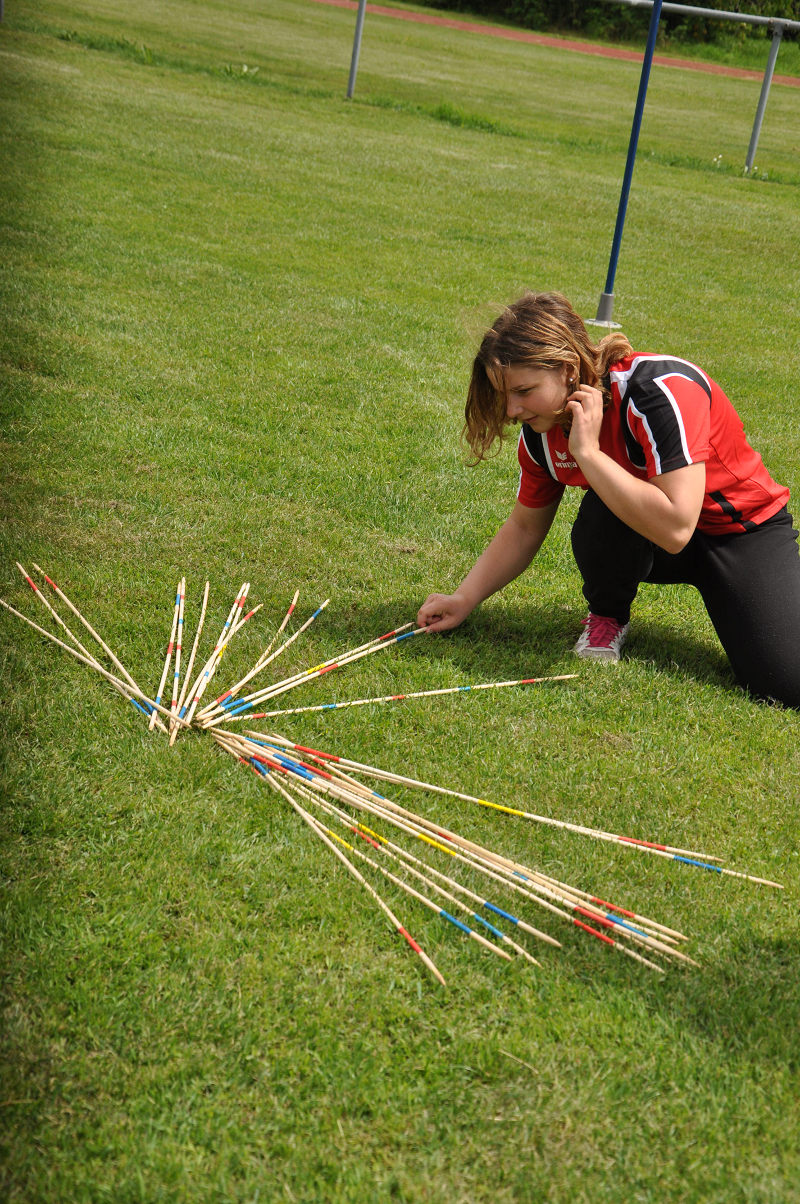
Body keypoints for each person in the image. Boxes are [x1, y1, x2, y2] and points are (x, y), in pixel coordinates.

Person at [417, 291, 800, 709]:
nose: (511, 410)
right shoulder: (542, 434)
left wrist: (589, 454)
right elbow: (524, 528)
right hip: (654, 539)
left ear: (567, 370)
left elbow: (676, 527)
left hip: (743, 534)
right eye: (505, 395)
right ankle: (607, 615)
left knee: (785, 685)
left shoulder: (659, 390)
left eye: (524, 390)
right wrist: (464, 598)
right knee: (604, 506)